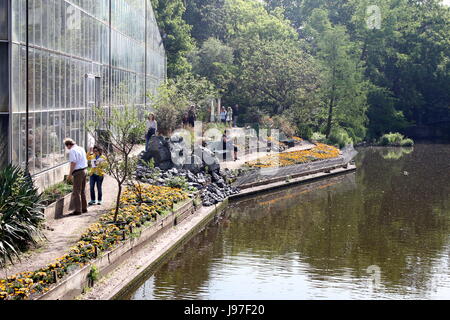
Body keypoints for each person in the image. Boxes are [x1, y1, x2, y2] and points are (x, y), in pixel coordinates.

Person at [64, 138, 88, 215]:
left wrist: (70, 174)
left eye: (66, 146)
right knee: (82, 190)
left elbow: (73, 163)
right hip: (84, 170)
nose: (67, 148)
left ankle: (78, 210)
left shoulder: (72, 151)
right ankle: (84, 208)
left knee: (76, 191)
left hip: (78, 172)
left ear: (68, 145)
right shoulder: (81, 148)